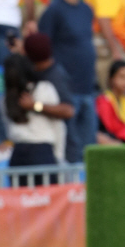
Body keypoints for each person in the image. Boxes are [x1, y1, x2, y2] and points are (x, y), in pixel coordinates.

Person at [39, 0, 96, 162]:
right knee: (72, 150)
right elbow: (44, 51)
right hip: (66, 91)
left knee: (90, 149)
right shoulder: (53, 12)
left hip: (88, 88)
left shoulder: (87, 9)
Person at [6, 33, 74, 171]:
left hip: (47, 148)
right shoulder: (29, 74)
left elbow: (68, 110)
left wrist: (35, 106)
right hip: (22, 147)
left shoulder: (52, 81)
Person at [96, 59, 125, 144]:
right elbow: (110, 126)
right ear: (111, 78)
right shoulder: (103, 100)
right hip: (112, 141)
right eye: (122, 77)